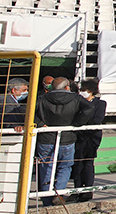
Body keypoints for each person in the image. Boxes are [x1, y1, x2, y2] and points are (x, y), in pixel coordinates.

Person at [35, 77, 94, 206]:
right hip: (67, 138)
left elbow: (29, 112)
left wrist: (40, 124)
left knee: (46, 168)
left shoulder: (42, 98)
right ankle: (58, 193)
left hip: (46, 138)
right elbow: (89, 108)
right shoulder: (75, 98)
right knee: (65, 167)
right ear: (67, 87)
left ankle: (46, 199)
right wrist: (76, 123)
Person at [69, 79, 106, 202]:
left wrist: (82, 121)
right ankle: (77, 189)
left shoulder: (100, 104)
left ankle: (88, 191)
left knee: (88, 163)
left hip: (92, 137)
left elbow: (97, 119)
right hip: (78, 137)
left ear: (91, 91)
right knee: (77, 164)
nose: (82, 93)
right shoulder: (77, 102)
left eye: (85, 90)